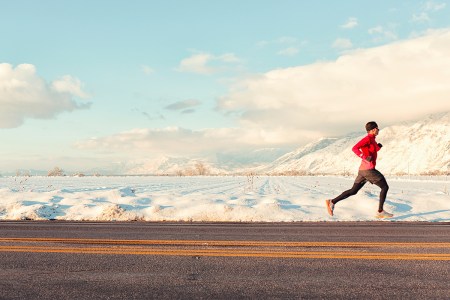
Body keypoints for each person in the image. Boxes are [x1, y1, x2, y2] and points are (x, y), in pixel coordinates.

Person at [325, 121, 393, 219]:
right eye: (377, 128)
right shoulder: (367, 139)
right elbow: (355, 148)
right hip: (368, 170)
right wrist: (364, 157)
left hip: (363, 170)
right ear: (373, 129)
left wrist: (378, 147)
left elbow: (371, 151)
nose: (378, 130)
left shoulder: (372, 140)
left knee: (353, 191)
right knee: (385, 187)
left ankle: (332, 202)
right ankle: (380, 211)